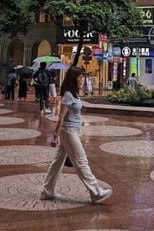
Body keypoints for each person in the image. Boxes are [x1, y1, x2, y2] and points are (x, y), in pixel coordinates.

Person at [40, 65, 112, 203]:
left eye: (83, 77)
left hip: (71, 131)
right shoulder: (68, 95)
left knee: (57, 163)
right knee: (81, 161)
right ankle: (96, 192)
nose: (82, 79)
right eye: (80, 77)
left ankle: (47, 191)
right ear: (74, 79)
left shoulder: (73, 93)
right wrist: (55, 135)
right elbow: (61, 116)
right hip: (68, 132)